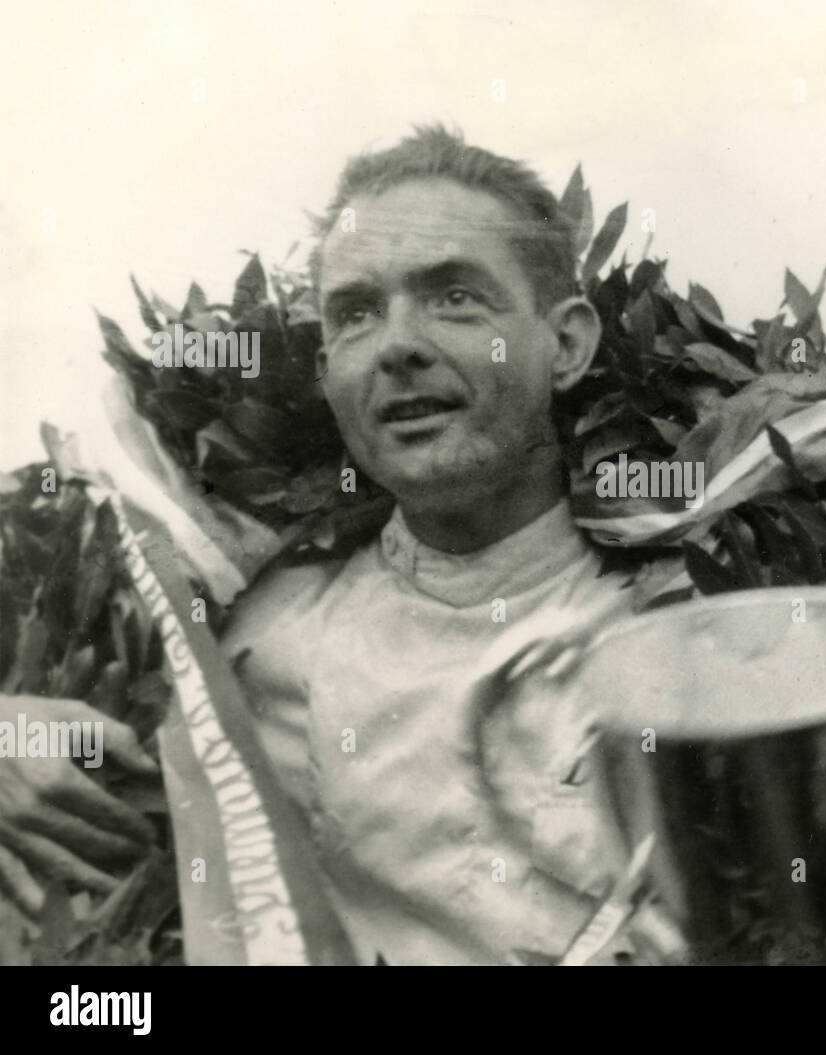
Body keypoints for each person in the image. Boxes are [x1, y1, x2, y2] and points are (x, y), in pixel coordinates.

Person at [1, 126, 648, 964]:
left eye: (455, 297)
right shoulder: (251, 610)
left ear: (565, 343)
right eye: (356, 313)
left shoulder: (687, 627)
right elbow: (103, 771)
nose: (398, 344)